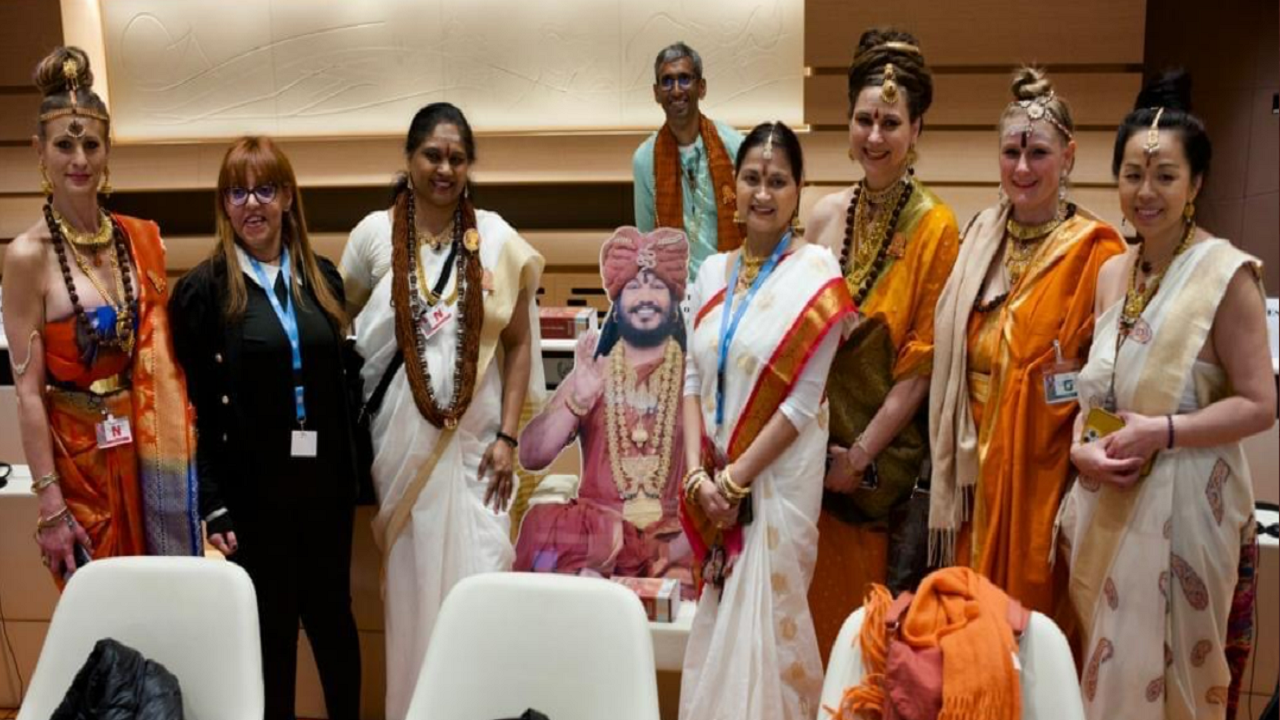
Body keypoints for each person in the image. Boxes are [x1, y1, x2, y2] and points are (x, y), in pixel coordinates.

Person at [1058, 71, 1274, 720]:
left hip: (1188, 512)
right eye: (1131, 174)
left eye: (1165, 176)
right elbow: (1098, 395)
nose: (1145, 192)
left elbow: (1262, 404)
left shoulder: (1224, 274)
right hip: (1107, 503)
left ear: (1196, 184)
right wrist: (1079, 450)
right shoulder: (1111, 274)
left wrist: (1164, 432)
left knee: (1181, 689)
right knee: (1106, 682)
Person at [342, 102, 545, 720]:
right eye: (432, 154)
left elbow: (516, 347)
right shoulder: (374, 236)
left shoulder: (496, 239)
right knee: (410, 605)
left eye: (457, 157)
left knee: (480, 593)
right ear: (408, 159)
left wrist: (509, 435)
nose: (444, 167)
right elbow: (339, 318)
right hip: (402, 456)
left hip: (480, 456)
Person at [169, 137, 362, 720]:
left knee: (334, 622)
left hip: (325, 489)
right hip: (255, 495)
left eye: (265, 189)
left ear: (287, 198)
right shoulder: (203, 291)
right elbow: (192, 406)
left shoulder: (322, 276)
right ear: (224, 205)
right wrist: (214, 503)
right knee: (271, 633)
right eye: (237, 191)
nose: (252, 203)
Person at [928, 67, 1125, 616]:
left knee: (1033, 618)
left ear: (1068, 156)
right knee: (966, 616)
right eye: (1011, 151)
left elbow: (1114, 378)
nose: (1021, 167)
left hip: (1047, 466)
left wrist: (1101, 450)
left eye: (1038, 152)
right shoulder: (979, 237)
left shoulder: (1097, 250)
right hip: (970, 467)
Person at [2, 46, 199, 586]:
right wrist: (51, 507)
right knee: (103, 620)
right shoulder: (26, 257)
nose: (79, 159)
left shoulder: (139, 239)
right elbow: (26, 393)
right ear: (38, 151)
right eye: (64, 145)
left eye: (91, 144)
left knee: (164, 601)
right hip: (80, 467)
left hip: (145, 452)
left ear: (108, 149)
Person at [679, 122, 855, 720]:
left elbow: (801, 406)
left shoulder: (818, 277)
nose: (763, 192)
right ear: (735, 190)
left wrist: (734, 481)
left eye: (777, 181)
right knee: (716, 630)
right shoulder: (710, 273)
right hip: (715, 487)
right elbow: (693, 380)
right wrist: (696, 480)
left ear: (798, 190)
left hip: (775, 486)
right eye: (752, 178)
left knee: (769, 636)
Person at [805, 28, 960, 662]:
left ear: (917, 129)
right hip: (808, 462)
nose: (875, 135)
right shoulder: (822, 214)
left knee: (859, 649)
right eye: (865, 119)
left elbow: (920, 366)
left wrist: (860, 456)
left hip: (873, 476)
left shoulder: (936, 227)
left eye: (891, 121)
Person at [515, 227, 693, 590]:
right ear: (616, 302)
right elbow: (531, 456)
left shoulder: (695, 378)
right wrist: (577, 400)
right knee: (547, 539)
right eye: (633, 287)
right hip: (597, 547)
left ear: (675, 302)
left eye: (657, 287)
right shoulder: (594, 370)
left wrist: (672, 552)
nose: (645, 297)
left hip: (674, 546)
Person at [632, 42, 744, 277]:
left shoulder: (734, 146)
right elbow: (646, 239)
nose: (675, 90)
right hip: (675, 290)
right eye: (667, 81)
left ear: (701, 87)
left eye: (685, 79)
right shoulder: (644, 159)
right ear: (656, 92)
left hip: (730, 285)